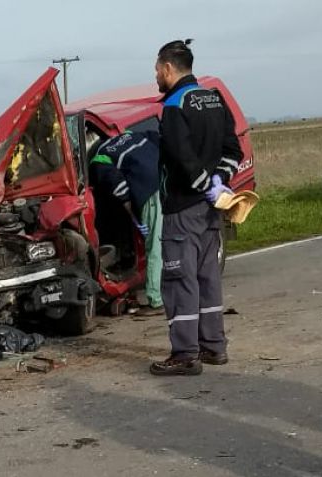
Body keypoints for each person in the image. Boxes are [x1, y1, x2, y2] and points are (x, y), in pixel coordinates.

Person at [150, 39, 242, 376]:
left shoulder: (175, 105)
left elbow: (182, 157)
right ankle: (214, 347)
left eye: (157, 69)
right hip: (210, 208)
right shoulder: (214, 99)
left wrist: (203, 184)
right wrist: (218, 182)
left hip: (183, 207)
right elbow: (234, 149)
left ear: (169, 68)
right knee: (208, 277)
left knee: (179, 279)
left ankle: (186, 353)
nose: (156, 75)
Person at [90, 130, 164, 316]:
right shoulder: (131, 134)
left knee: (154, 246)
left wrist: (133, 215)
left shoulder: (100, 158)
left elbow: (118, 186)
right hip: (168, 182)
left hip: (149, 191)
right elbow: (158, 139)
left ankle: (156, 301)